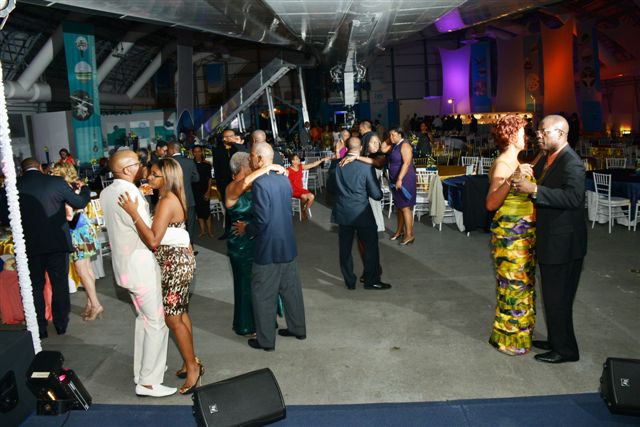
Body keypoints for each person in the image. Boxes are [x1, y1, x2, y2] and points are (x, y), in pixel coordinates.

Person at [118, 157, 202, 393]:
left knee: (173, 319)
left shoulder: (166, 201)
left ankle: (193, 368)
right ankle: (191, 361)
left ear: (167, 178)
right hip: (176, 263)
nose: (149, 177)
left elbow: (154, 240)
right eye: (150, 173)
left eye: (155, 175)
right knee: (181, 314)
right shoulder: (169, 197)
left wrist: (134, 213)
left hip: (175, 266)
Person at [100, 150, 176, 397]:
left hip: (123, 266)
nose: (142, 166)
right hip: (140, 266)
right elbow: (150, 235)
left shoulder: (106, 192)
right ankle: (149, 382)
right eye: (137, 162)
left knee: (144, 320)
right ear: (126, 169)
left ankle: (143, 372)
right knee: (156, 322)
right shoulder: (130, 193)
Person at [513, 114, 587, 364]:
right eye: (538, 132)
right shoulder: (548, 157)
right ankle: (557, 340)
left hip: (564, 243)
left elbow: (574, 198)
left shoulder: (572, 163)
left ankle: (566, 350)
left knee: (559, 298)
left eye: (544, 132)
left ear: (561, 134)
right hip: (552, 239)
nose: (539, 136)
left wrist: (535, 190)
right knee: (553, 297)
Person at [233, 142, 307, 351]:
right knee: (291, 291)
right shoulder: (284, 179)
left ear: (258, 158)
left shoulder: (260, 183)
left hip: (268, 248)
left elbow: (263, 220)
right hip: (287, 244)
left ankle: (265, 341)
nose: (250, 159)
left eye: (251, 156)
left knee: (264, 295)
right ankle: (298, 329)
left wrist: (247, 229)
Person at [13, 158, 90, 338]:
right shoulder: (55, 182)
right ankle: (61, 324)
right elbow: (79, 202)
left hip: (29, 245)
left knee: (34, 287)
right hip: (56, 243)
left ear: (22, 171)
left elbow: (4, 215)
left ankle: (39, 328)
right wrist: (85, 189)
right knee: (59, 284)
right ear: (40, 167)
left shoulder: (13, 186)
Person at [485, 115, 536, 356]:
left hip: (523, 234)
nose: (526, 137)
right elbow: (491, 203)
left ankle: (519, 337)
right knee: (513, 287)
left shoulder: (514, 161)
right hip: (511, 236)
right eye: (523, 132)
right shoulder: (504, 164)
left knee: (522, 285)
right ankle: (509, 340)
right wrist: (512, 177)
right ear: (511, 135)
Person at [225, 152, 287, 336]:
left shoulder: (255, 184)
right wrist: (269, 166)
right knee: (246, 284)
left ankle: (265, 320)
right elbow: (244, 183)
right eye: (251, 162)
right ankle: (249, 325)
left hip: (257, 238)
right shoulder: (232, 187)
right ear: (243, 166)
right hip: (240, 243)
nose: (254, 164)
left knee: (263, 282)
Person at [329, 137, 390, 290]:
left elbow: (330, 189)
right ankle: (371, 281)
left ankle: (350, 282)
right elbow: (376, 195)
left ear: (347, 147)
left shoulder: (336, 165)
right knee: (370, 247)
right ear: (361, 147)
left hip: (343, 212)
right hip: (362, 213)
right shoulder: (365, 166)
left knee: (345, 249)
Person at [51, 163, 103, 322]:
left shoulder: (65, 189)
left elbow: (68, 216)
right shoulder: (76, 186)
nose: (52, 175)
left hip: (76, 234)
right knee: (88, 269)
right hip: (85, 230)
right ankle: (90, 303)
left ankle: (96, 305)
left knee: (82, 271)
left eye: (54, 172)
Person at [388, 128, 417, 245]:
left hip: (404, 179)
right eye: (390, 135)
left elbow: (406, 163)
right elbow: (383, 148)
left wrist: (399, 179)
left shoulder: (405, 145)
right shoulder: (396, 145)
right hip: (395, 180)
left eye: (393, 135)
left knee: (405, 207)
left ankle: (409, 235)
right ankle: (400, 231)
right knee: (399, 207)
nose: (391, 137)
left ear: (400, 134)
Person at [167, 141, 199, 240]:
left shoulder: (168, 162)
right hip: (189, 198)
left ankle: (180, 245)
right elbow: (197, 178)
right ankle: (190, 245)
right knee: (190, 224)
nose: (167, 151)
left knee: (176, 225)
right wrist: (187, 180)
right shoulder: (189, 161)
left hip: (174, 200)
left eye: (168, 149)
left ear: (172, 149)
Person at [213, 129, 241, 239]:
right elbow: (217, 170)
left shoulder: (237, 148)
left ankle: (241, 229)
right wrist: (220, 187)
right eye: (229, 136)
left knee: (240, 206)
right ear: (224, 138)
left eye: (233, 135)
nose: (232, 138)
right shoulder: (217, 150)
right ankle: (229, 231)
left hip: (238, 182)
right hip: (224, 184)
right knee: (229, 208)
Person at [287, 153, 331, 220]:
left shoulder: (301, 166)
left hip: (301, 189)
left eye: (298, 158)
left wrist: (322, 160)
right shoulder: (288, 170)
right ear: (292, 161)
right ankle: (302, 209)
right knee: (304, 197)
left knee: (312, 196)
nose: (299, 159)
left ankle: (305, 210)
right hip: (293, 190)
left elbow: (313, 164)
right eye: (297, 159)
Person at [191, 145, 214, 238]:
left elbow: (209, 179)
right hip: (195, 191)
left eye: (199, 151)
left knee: (206, 211)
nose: (197, 153)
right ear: (193, 153)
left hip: (205, 190)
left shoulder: (207, 164)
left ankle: (210, 231)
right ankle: (202, 231)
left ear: (202, 152)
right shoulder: (191, 164)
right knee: (199, 212)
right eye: (195, 151)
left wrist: (208, 191)